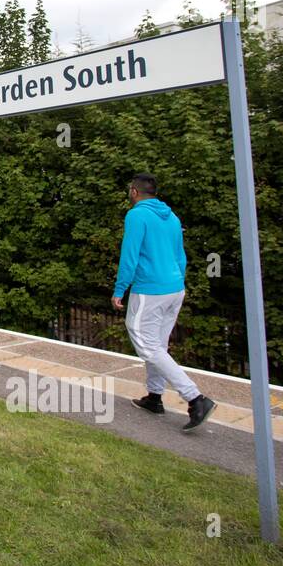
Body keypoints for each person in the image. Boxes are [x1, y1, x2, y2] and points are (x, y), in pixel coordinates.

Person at [112, 172, 216, 430]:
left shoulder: (136, 215)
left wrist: (120, 289)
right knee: (158, 345)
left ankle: (195, 398)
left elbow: (130, 254)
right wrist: (178, 282)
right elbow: (181, 256)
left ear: (134, 192)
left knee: (146, 345)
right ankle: (154, 397)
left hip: (150, 290)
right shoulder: (172, 217)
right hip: (174, 288)